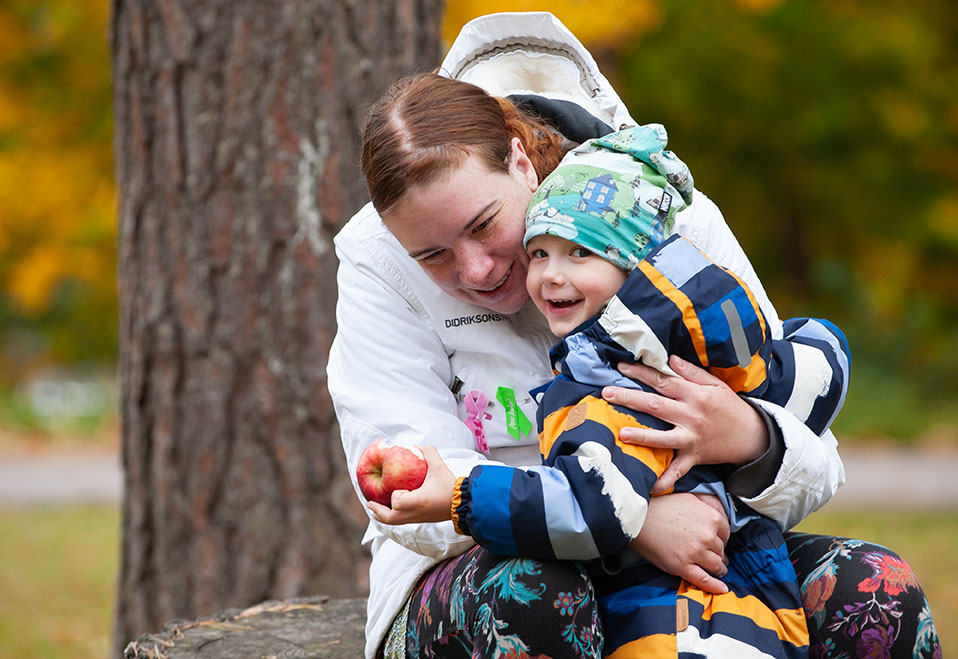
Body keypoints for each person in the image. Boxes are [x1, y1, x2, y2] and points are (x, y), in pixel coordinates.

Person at [327, 12, 940, 659]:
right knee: (539, 591)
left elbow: (818, 454)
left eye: (484, 225)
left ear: (517, 159)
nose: (474, 269)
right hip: (495, 568)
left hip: (702, 551)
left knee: (875, 587)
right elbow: (408, 487)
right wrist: (629, 522)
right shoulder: (375, 256)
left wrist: (748, 435)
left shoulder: (672, 217)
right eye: (433, 256)